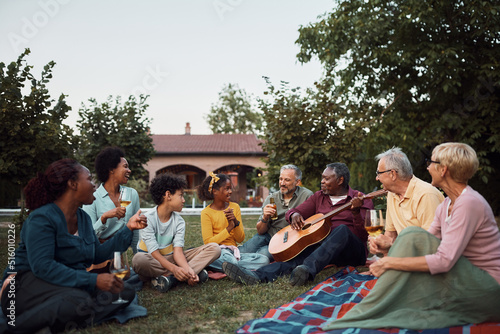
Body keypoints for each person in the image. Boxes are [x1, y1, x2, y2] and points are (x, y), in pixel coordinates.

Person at [323, 143, 500, 330]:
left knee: (411, 304)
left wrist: (389, 263)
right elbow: (422, 241)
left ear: (444, 169)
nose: (427, 167)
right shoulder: (446, 204)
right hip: (461, 279)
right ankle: (376, 304)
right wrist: (388, 248)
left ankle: (374, 305)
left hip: (486, 287)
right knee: (410, 234)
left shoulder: (468, 203)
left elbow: (444, 261)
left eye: (430, 162)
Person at [0, 159, 147, 333]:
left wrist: (128, 227)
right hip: (27, 284)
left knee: (125, 291)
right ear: (72, 184)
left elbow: (97, 254)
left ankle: (60, 319)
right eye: (90, 179)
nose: (94, 185)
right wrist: (93, 280)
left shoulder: (83, 219)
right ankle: (16, 328)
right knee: (77, 299)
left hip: (67, 286)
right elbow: (42, 266)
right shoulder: (41, 219)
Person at [223, 163, 374, 286]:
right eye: (322, 178)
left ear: (340, 180)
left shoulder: (361, 199)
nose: (322, 181)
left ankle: (307, 270)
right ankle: (256, 276)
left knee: (342, 230)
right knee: (297, 258)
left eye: (326, 179)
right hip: (325, 252)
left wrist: (355, 213)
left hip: (353, 253)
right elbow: (293, 211)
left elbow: (364, 236)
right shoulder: (318, 197)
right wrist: (294, 215)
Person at [132, 173, 221, 292]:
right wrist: (175, 269)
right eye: (181, 195)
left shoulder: (179, 221)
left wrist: (186, 269)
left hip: (172, 259)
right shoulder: (147, 218)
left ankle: (173, 279)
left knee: (215, 248)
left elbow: (178, 252)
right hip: (152, 260)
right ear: (168, 195)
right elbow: (154, 253)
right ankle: (186, 274)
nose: (184, 200)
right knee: (138, 260)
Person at [369, 147, 444, 257]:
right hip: (406, 258)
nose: (377, 178)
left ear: (393, 174)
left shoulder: (426, 195)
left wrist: (391, 247)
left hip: (428, 262)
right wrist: (384, 266)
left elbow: (431, 244)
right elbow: (390, 235)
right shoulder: (392, 194)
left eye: (379, 173)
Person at [197, 172, 270, 272]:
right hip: (218, 252)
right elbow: (208, 243)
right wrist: (229, 228)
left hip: (235, 251)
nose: (230, 191)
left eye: (230, 188)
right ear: (215, 191)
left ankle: (221, 266)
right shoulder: (206, 213)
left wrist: (235, 223)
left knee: (264, 260)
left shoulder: (234, 207)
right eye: (227, 189)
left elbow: (240, 239)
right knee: (230, 260)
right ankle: (229, 266)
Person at [238, 165, 313, 261]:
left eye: (287, 180)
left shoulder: (307, 196)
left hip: (288, 239)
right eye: (280, 179)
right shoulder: (271, 198)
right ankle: (224, 261)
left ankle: (243, 265)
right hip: (269, 234)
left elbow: (310, 225)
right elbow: (260, 231)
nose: (282, 183)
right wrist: (265, 218)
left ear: (297, 182)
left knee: (262, 256)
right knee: (243, 251)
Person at [83, 147, 141, 255]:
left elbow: (136, 232)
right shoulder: (92, 198)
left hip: (123, 255)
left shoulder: (132, 194)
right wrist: (104, 218)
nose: (129, 170)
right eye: (125, 167)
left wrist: (138, 257)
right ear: (111, 169)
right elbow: (88, 237)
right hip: (100, 254)